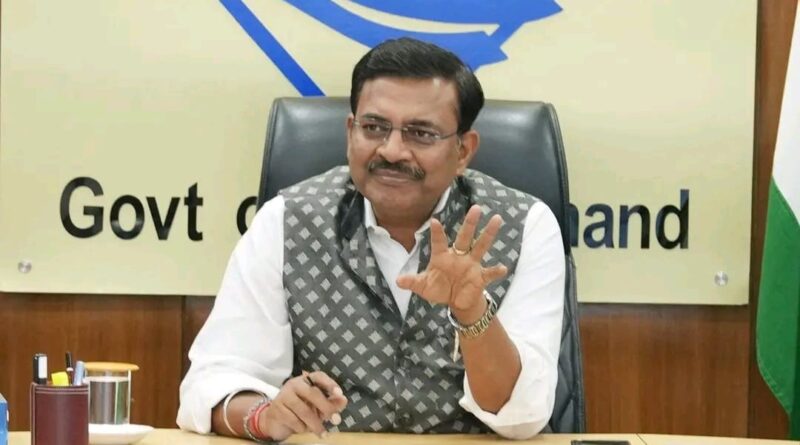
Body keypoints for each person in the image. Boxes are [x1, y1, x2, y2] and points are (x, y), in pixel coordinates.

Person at [177, 37, 565, 441]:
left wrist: (473, 314)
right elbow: (211, 385)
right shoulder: (288, 220)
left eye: (421, 133)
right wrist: (265, 416)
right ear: (350, 133)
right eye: (375, 127)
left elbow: (522, 418)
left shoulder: (523, 226)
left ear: (463, 150)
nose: (392, 151)